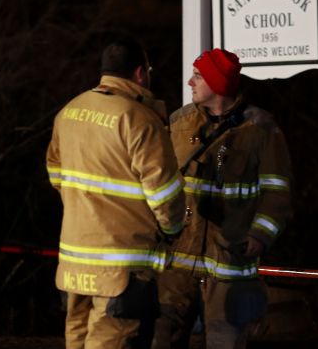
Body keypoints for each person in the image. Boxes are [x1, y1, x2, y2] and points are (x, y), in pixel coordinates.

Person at [46, 38, 187, 349]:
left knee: (77, 341)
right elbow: (164, 194)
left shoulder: (69, 111)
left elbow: (56, 175)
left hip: (74, 262)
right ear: (140, 73)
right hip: (122, 269)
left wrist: (85, 205)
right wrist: (173, 229)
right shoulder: (139, 119)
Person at [151, 48, 293, 349]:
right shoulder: (179, 123)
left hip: (229, 266)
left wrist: (259, 235)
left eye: (198, 76)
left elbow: (277, 193)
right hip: (176, 268)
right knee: (161, 340)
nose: (190, 82)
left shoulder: (261, 129)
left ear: (217, 84)